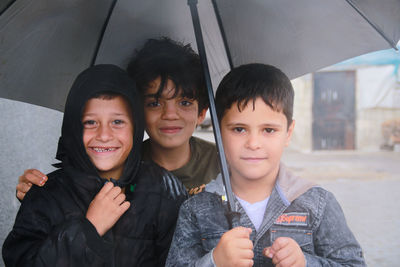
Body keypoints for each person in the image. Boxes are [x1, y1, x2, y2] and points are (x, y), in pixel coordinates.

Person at [166, 63, 366, 266]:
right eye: (239, 129)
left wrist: (306, 263)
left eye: (269, 130)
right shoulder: (195, 209)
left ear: (288, 132)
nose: (253, 144)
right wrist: (214, 261)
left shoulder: (317, 203)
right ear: (218, 132)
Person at [3, 65, 187, 266]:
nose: (104, 135)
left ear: (136, 127)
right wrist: (88, 230)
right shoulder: (46, 193)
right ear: (73, 127)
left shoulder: (164, 189)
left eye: (117, 121)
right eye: (90, 122)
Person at [15, 37, 219, 200]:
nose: (170, 115)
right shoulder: (114, 161)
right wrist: (41, 194)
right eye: (155, 103)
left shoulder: (224, 164)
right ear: (136, 113)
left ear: (202, 112)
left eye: (184, 102)